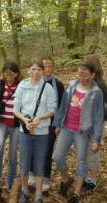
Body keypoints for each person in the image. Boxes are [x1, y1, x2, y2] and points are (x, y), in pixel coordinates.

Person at [51, 62, 105, 203]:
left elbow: (99, 117)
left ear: (93, 75)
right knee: (57, 157)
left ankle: (76, 193)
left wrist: (97, 138)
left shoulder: (96, 93)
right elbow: (62, 106)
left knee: (81, 161)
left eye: (85, 74)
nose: (82, 77)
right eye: (80, 74)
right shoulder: (71, 85)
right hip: (67, 128)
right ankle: (66, 179)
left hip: (82, 131)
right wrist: (57, 124)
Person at [13, 59, 58, 203]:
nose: (36, 72)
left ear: (42, 71)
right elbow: (15, 109)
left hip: (42, 132)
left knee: (39, 164)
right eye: (33, 69)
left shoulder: (48, 88)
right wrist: (25, 120)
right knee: (24, 162)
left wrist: (40, 119)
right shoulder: (22, 86)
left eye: (39, 69)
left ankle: (38, 196)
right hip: (25, 131)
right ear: (29, 70)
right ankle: (24, 191)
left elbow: (52, 110)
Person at [83, 54, 107, 192]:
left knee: (93, 151)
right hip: (82, 123)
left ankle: (93, 179)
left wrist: (102, 118)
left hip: (95, 125)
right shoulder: (83, 83)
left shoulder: (100, 84)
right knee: (82, 150)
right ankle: (83, 177)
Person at [0, 62, 22, 192]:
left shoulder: (21, 87)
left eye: (11, 73)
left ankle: (10, 181)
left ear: (16, 74)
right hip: (2, 124)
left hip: (15, 126)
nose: (8, 76)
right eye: (6, 73)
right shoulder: (1, 86)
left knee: (13, 154)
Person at [40, 56, 66, 192]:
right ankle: (33, 178)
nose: (48, 69)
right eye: (45, 66)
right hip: (37, 122)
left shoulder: (59, 85)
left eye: (50, 66)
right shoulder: (35, 83)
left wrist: (58, 125)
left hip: (52, 123)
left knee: (47, 151)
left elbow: (62, 106)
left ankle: (45, 180)